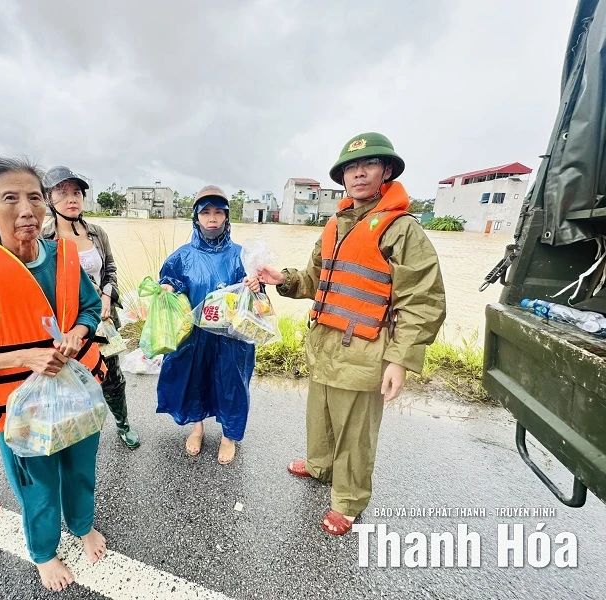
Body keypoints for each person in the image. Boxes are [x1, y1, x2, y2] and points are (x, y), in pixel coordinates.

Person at [0, 157, 107, 592]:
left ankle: (83, 525)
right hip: (20, 409)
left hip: (78, 393)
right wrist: (24, 359)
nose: (26, 209)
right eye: (10, 198)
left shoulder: (65, 256)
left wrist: (78, 331)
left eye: (33, 197)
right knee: (39, 487)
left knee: (82, 469)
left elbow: (88, 307)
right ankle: (44, 552)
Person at [257, 133, 446, 535]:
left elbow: (424, 300)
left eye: (369, 165)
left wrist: (400, 359)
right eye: (350, 168)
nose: (358, 173)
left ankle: (349, 499)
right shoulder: (336, 224)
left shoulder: (401, 230)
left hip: (366, 350)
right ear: (343, 177)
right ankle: (320, 464)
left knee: (355, 432)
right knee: (320, 416)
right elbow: (314, 279)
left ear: (386, 172)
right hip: (325, 343)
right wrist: (283, 279)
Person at [156, 185, 256, 465]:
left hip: (231, 336)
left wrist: (255, 286)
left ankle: (228, 435)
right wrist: (167, 288)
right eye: (206, 212)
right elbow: (171, 282)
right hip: (194, 333)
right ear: (196, 218)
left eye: (218, 212)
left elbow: (257, 300)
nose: (212, 218)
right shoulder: (182, 255)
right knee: (194, 380)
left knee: (232, 383)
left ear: (226, 217)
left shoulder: (242, 255)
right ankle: (197, 427)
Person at [41, 166, 139, 449]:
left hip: (105, 321)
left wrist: (107, 297)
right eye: (62, 193)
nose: (71, 199)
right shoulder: (44, 240)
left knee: (111, 374)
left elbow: (109, 268)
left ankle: (123, 424)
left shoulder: (97, 233)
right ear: (49, 199)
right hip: (68, 326)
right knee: (72, 377)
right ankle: (77, 430)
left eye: (76, 193)